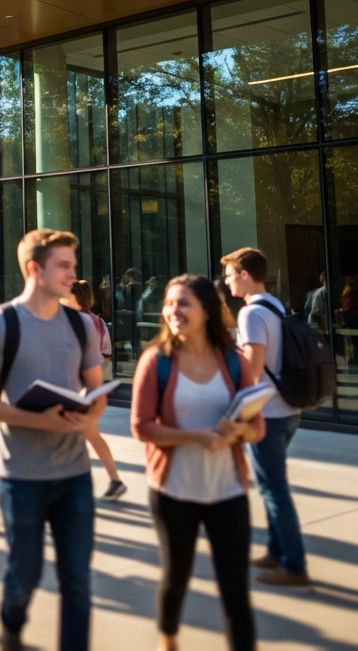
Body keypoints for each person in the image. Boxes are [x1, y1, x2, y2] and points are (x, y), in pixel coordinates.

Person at [0, 229, 106, 651]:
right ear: (34, 269)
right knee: (24, 576)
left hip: (75, 474)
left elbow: (96, 392)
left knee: (77, 582)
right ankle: (11, 626)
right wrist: (36, 420)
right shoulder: (0, 323)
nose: (72, 274)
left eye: (72, 266)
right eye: (63, 266)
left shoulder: (81, 325)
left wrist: (89, 414)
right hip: (21, 475)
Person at [131, 275, 264, 651]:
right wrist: (197, 436)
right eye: (169, 303)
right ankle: (168, 641)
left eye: (184, 303)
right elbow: (141, 427)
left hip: (228, 491)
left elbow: (258, 428)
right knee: (176, 579)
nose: (173, 310)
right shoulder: (155, 361)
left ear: (206, 310)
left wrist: (237, 432)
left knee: (235, 589)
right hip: (174, 491)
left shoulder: (235, 362)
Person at [222, 247, 309, 587]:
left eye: (230, 275)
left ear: (244, 274)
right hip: (288, 409)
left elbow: (253, 370)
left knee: (274, 490)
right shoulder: (276, 305)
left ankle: (293, 566)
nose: (227, 282)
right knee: (275, 484)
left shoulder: (251, 314)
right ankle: (276, 551)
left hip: (266, 413)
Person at [65, 281, 125, 501]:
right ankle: (114, 479)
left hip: (74, 385)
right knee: (89, 433)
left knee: (77, 434)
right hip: (91, 385)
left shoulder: (69, 320)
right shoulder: (98, 321)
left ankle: (77, 486)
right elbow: (106, 351)